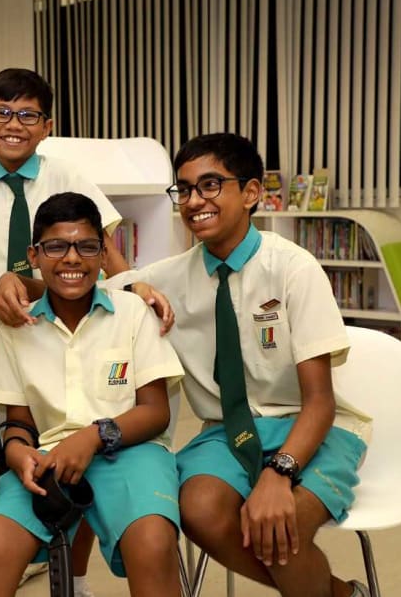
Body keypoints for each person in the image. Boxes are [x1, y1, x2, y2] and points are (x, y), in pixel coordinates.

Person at [104, 133, 373, 597]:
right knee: (198, 510)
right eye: (184, 189)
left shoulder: (292, 268)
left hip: (309, 426)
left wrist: (279, 472)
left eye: (210, 185)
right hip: (226, 430)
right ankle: (343, 594)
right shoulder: (170, 275)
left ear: (250, 193)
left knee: (276, 528)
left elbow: (320, 401)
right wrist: (133, 289)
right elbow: (88, 287)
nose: (194, 201)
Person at [0, 67, 150, 594]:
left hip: (66, 327)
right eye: (2, 113)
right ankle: (15, 539)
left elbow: (103, 249)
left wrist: (134, 285)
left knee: (74, 436)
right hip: (0, 339)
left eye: (28, 115)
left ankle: (76, 577)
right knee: (9, 448)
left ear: (47, 126)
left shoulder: (67, 175)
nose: (13, 125)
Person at [0, 192, 185, 597]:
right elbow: (18, 424)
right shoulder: (17, 329)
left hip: (130, 452)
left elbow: (156, 413)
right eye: (55, 246)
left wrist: (92, 436)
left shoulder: (132, 313)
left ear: (104, 255)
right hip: (48, 458)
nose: (71, 258)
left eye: (86, 246)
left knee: (152, 544)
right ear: (34, 254)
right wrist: (17, 453)